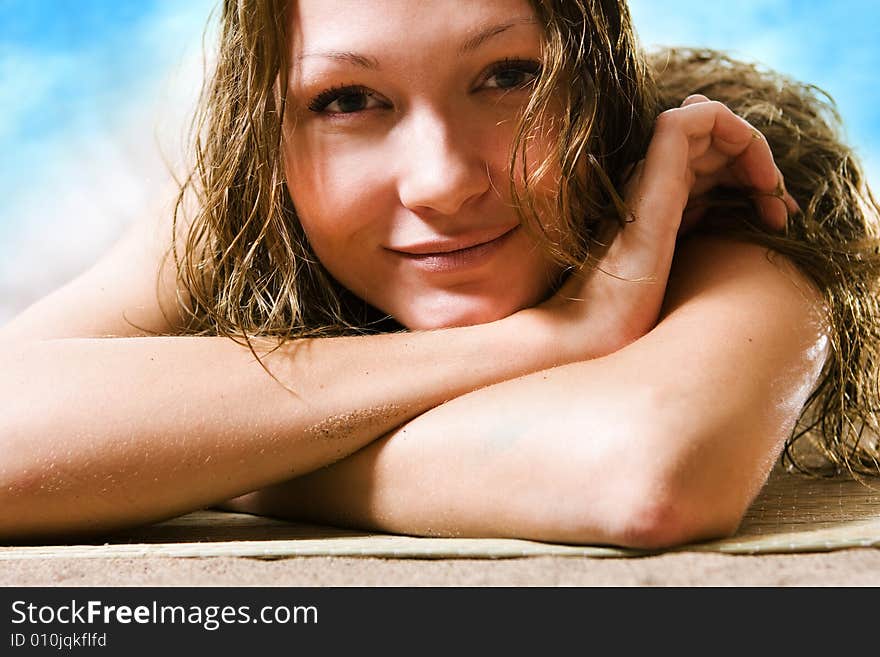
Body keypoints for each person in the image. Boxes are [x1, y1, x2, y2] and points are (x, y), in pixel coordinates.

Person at [1, 0, 878, 548]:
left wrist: (177, 447)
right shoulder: (257, 196)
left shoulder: (723, 177)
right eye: (347, 100)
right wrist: (560, 334)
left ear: (601, 89)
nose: (443, 181)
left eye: (508, 77)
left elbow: (646, 473)